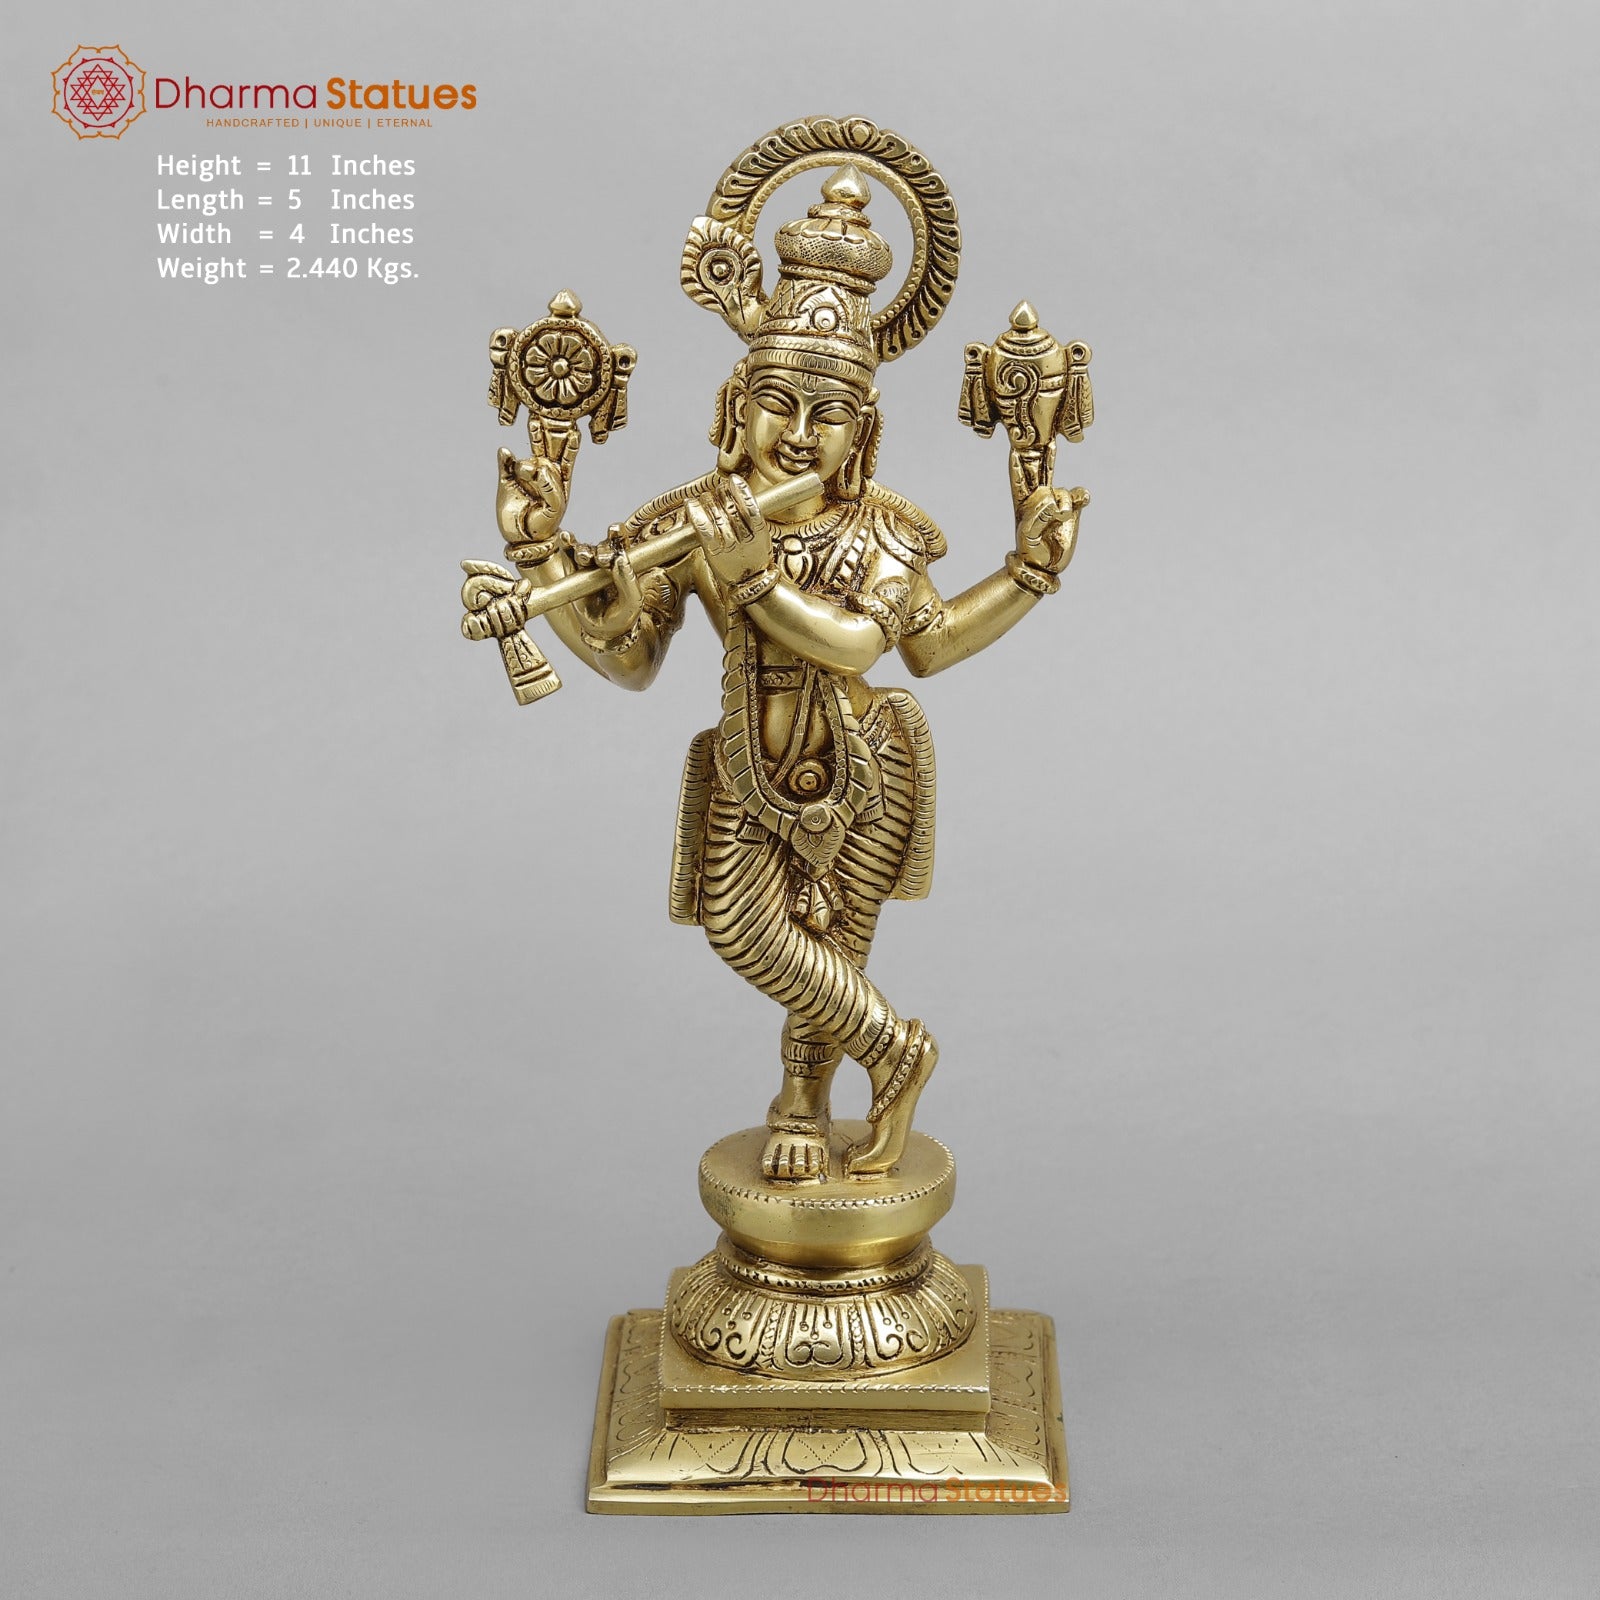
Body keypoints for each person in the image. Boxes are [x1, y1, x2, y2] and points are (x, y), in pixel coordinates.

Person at [475, 168, 1086, 1181]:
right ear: (733, 407)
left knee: (838, 940)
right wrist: (542, 559)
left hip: (862, 760)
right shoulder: (692, 517)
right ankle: (896, 1050)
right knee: (741, 922)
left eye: (828, 415)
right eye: (776, 404)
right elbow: (629, 657)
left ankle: (805, 1102)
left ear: (863, 434)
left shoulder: (880, 530)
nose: (798, 435)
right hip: (743, 764)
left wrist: (1029, 572)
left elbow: (901, 645)